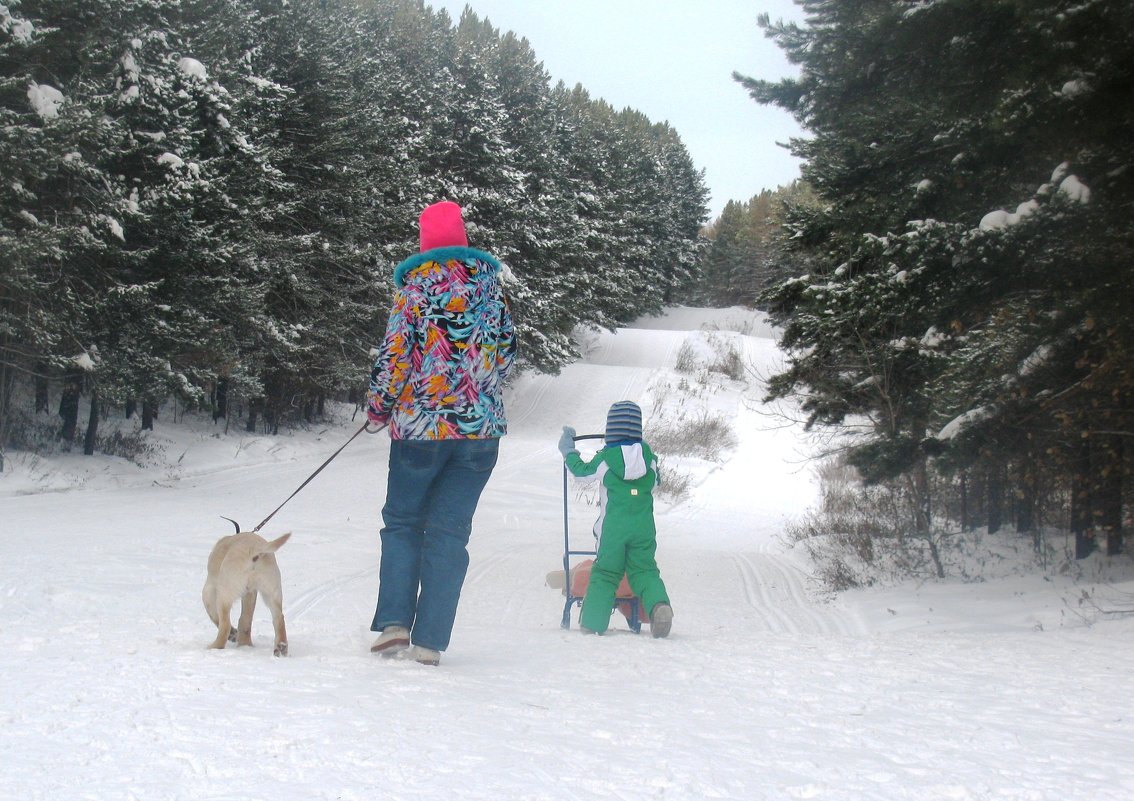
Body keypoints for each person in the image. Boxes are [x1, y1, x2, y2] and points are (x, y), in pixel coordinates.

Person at [366, 200, 516, 666]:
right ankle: (429, 643)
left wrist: (377, 407)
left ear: (424, 245)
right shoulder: (491, 294)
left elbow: (395, 361)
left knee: (404, 523)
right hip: (479, 434)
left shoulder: (413, 293)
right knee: (450, 533)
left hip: (420, 432)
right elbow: (507, 355)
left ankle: (394, 626)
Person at [558, 401, 673, 638]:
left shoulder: (606, 459)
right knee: (645, 571)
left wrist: (569, 451)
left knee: (607, 572)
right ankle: (659, 607)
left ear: (611, 430)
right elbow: (656, 481)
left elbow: (581, 473)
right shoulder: (649, 459)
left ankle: (593, 622)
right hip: (643, 528)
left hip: (613, 529)